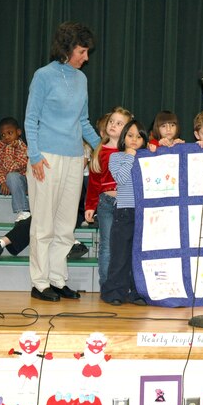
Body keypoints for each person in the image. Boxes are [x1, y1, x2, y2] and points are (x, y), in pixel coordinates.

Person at [25, 21, 101, 302]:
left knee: (66, 225)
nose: (86, 57)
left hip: (73, 159)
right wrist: (34, 155)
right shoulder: (43, 76)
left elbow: (83, 121)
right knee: (43, 225)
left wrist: (101, 148)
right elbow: (30, 118)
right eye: (82, 51)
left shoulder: (82, 80)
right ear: (68, 48)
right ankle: (40, 282)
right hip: (44, 158)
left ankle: (57, 279)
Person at [101, 120, 149, 305]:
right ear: (123, 138)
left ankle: (137, 292)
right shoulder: (117, 157)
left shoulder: (146, 156)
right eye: (130, 136)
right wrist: (130, 156)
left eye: (139, 137)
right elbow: (120, 178)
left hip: (143, 212)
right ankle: (114, 293)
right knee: (120, 256)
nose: (134, 140)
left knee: (138, 256)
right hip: (123, 212)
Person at [85, 107, 133, 291]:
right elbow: (94, 183)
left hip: (127, 204)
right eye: (112, 121)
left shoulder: (132, 151)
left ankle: (125, 284)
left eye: (119, 123)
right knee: (106, 245)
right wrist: (90, 206)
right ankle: (106, 285)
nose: (113, 125)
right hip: (106, 203)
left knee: (125, 245)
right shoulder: (99, 152)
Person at [0, 216, 88, 261]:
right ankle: (73, 243)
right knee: (37, 219)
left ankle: (0, 243)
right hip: (55, 205)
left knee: (41, 220)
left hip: (79, 208)